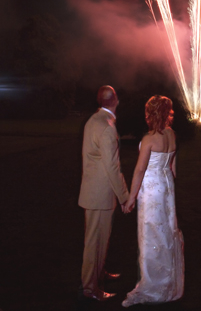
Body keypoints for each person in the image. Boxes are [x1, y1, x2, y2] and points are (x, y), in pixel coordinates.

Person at [122, 95, 184, 307]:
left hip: (152, 189)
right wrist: (169, 186)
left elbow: (140, 170)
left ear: (151, 114)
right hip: (167, 187)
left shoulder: (150, 139)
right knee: (166, 232)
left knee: (150, 235)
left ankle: (152, 287)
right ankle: (166, 280)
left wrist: (130, 198)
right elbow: (173, 168)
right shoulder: (172, 134)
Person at [78, 85, 129, 301]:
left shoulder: (93, 120)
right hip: (100, 195)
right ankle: (91, 288)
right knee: (95, 242)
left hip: (93, 191)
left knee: (98, 240)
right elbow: (112, 167)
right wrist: (125, 196)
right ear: (115, 100)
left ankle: (99, 273)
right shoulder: (107, 127)